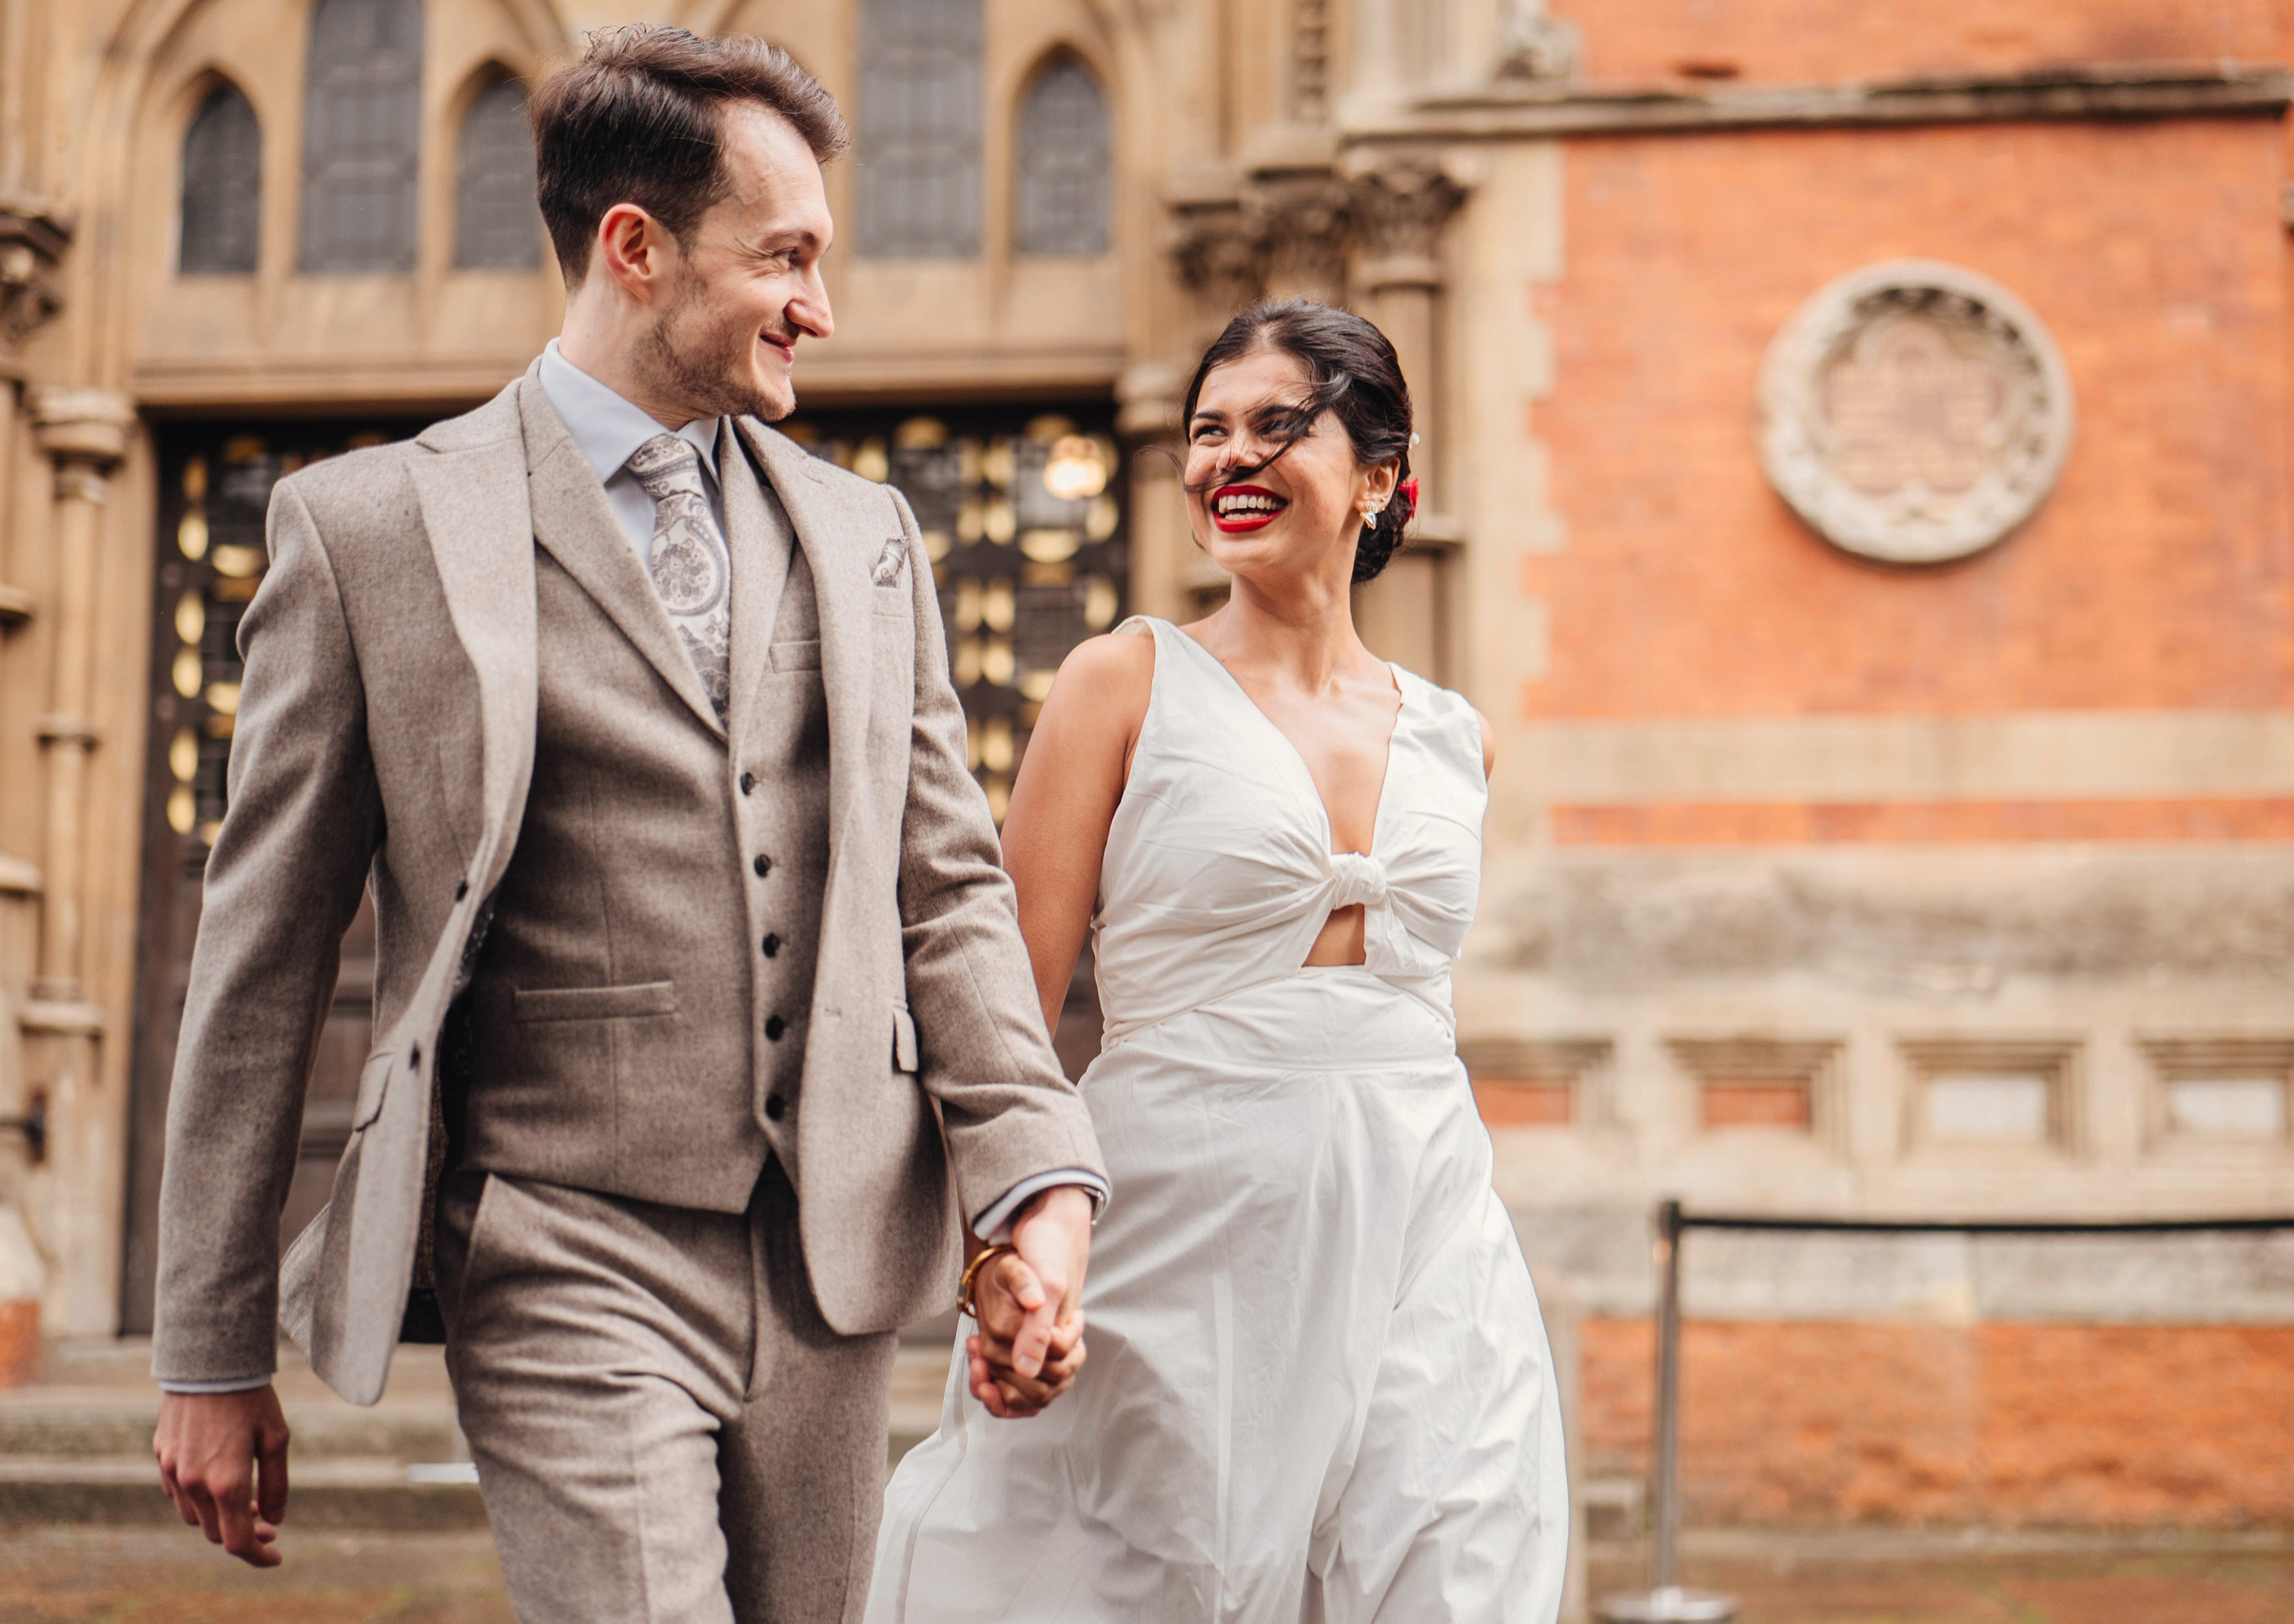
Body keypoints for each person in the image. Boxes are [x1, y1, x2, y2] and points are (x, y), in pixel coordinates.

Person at [146, 28, 1107, 1623]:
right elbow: (262, 959)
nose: (822, 302)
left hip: (832, 1263)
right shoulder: (372, 530)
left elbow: (942, 895)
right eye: (785, 256)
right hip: (559, 1247)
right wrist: (207, 1344)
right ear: (636, 248)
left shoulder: (869, 538)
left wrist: (1034, 1184)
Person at [867, 300, 1568, 1621]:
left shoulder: (1458, 739)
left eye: (1275, 426)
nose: (1226, 459)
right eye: (1207, 430)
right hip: (1173, 1236)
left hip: (1424, 1226)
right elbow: (1003, 1004)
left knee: (1457, 1562)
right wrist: (1001, 1252)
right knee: (1149, 1577)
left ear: (1379, 475)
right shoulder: (1121, 683)